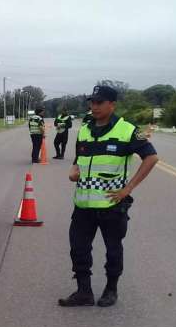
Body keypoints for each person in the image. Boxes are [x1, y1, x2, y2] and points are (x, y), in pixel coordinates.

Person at [59, 85, 159, 307]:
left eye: (99, 102)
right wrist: (74, 170)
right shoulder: (85, 128)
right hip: (83, 204)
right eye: (92, 102)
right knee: (78, 248)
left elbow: (151, 158)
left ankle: (111, 289)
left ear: (112, 105)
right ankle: (83, 291)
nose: (93, 106)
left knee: (113, 249)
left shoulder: (128, 130)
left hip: (112, 205)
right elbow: (80, 158)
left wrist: (128, 188)